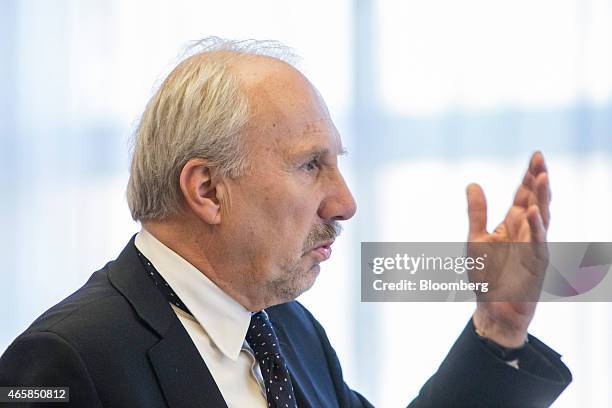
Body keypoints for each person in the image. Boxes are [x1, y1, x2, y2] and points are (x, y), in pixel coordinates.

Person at [0, 38, 571, 407]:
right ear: (208, 190)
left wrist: (498, 331)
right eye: (310, 165)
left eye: (337, 163)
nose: (345, 202)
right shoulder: (64, 359)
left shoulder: (290, 330)